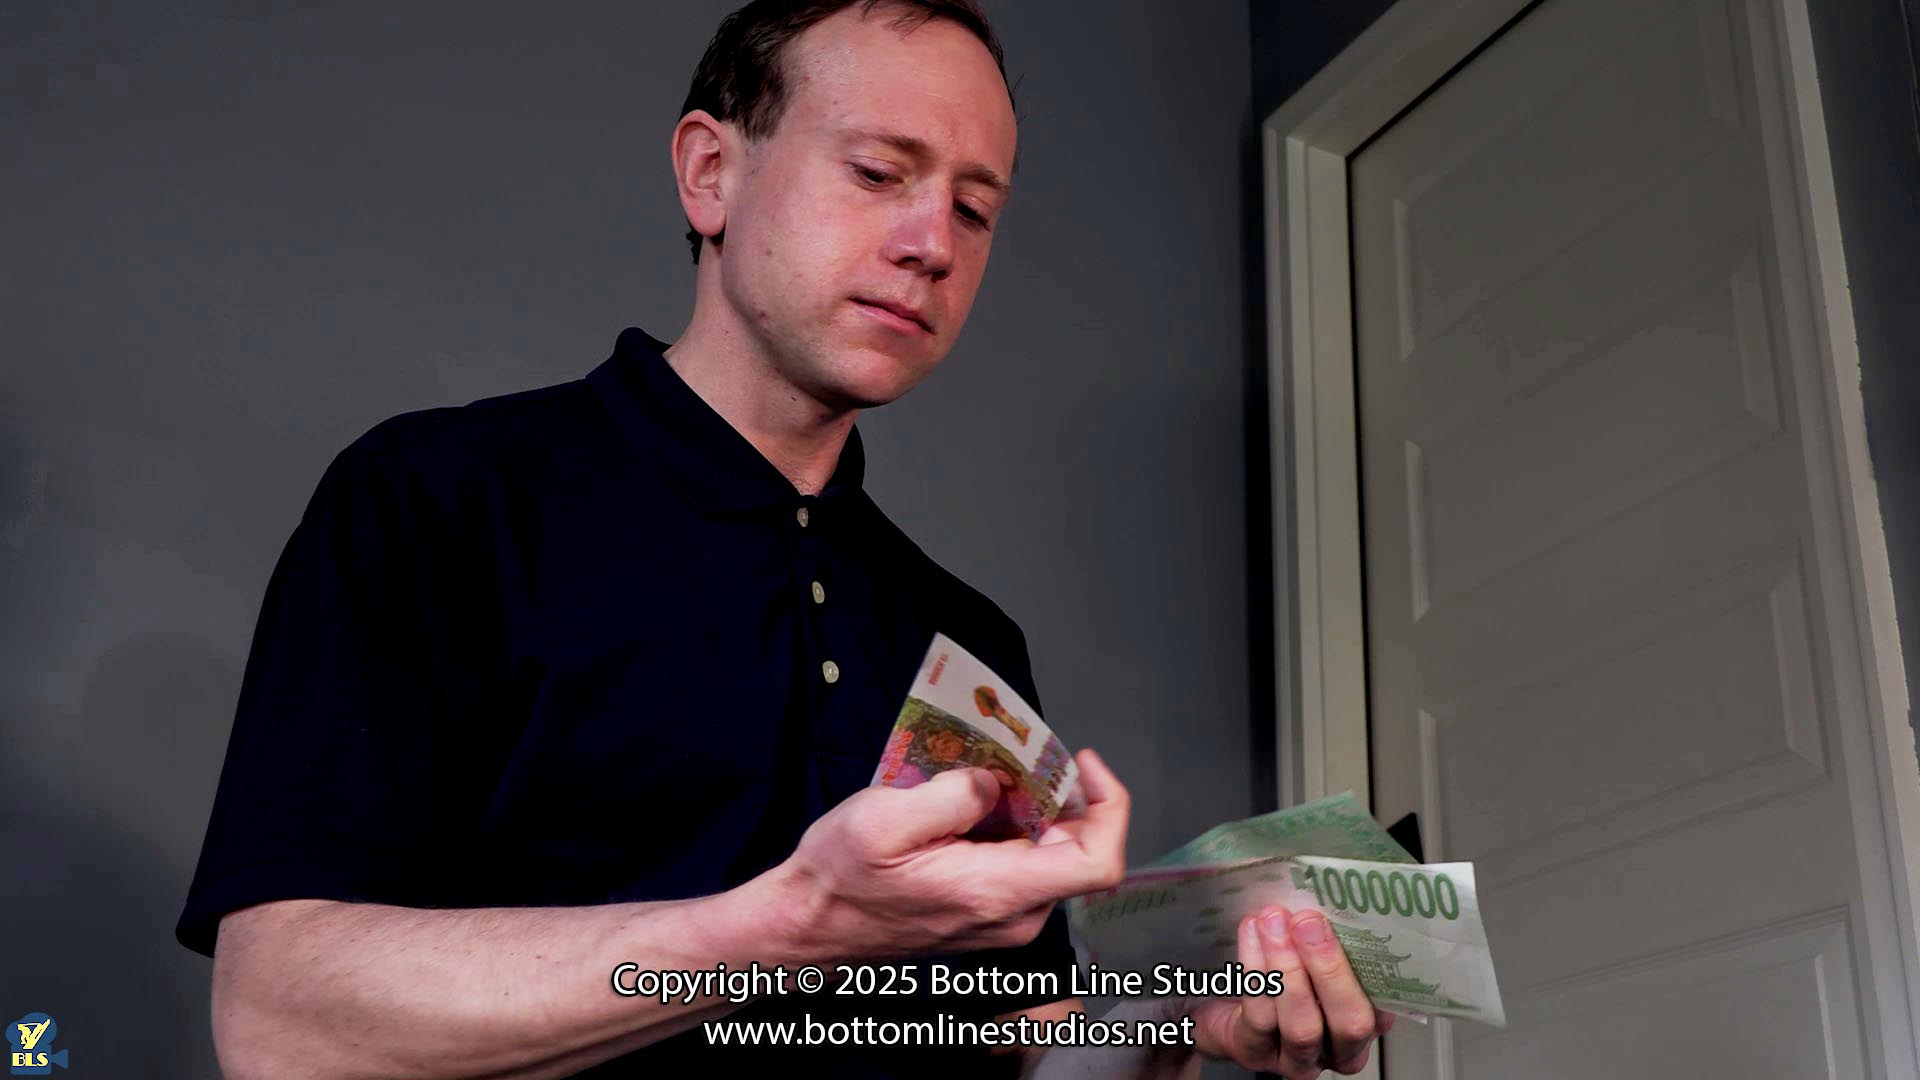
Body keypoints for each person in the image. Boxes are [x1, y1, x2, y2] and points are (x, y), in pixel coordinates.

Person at [175, 2, 1389, 1076]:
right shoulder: (436, 499)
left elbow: (1009, 1045)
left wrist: (1171, 1018)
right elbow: (282, 1027)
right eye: (878, 172)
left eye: (975, 209)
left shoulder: (969, 638)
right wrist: (795, 921)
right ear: (710, 174)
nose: (934, 243)